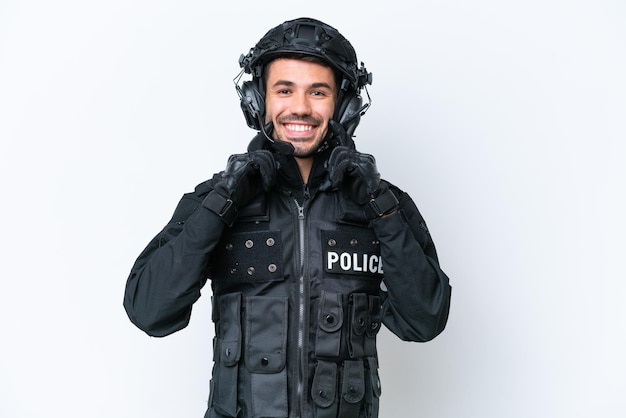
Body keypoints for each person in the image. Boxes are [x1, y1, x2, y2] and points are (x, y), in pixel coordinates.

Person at [123, 17, 452, 418]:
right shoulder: (216, 198)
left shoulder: (383, 204)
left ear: (344, 107)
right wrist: (224, 201)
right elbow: (149, 311)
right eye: (284, 90)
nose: (299, 107)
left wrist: (379, 206)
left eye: (318, 92)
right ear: (257, 101)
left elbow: (425, 320)